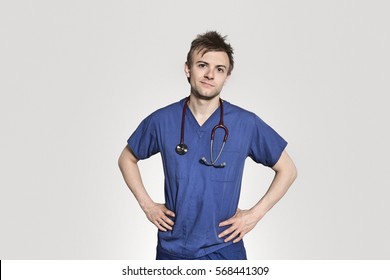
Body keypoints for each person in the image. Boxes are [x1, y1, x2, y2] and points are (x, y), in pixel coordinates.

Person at [118, 31, 297, 260]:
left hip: (224, 250)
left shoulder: (246, 123)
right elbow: (127, 158)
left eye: (219, 69)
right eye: (203, 65)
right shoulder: (162, 120)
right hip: (173, 250)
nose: (210, 74)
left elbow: (288, 170)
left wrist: (254, 215)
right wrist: (148, 206)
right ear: (188, 69)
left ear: (227, 77)